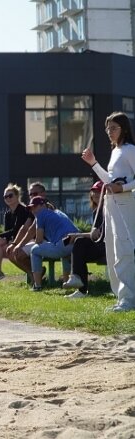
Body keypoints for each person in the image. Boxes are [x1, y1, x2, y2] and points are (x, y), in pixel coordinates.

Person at [82, 111, 135, 311]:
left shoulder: (130, 150)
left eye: (114, 128)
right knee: (112, 251)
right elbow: (109, 181)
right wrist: (93, 163)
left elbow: (123, 183)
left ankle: (129, 300)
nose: (109, 132)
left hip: (125, 203)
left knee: (124, 250)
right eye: (107, 128)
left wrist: (124, 187)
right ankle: (121, 297)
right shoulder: (115, 152)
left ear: (124, 129)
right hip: (111, 203)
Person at [62, 181, 106, 299]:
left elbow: (98, 235)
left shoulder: (109, 210)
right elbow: (95, 235)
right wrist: (78, 236)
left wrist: (76, 235)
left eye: (99, 191)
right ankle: (80, 289)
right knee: (79, 248)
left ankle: (77, 281)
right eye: (94, 191)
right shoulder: (96, 212)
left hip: (109, 247)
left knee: (79, 243)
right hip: (100, 246)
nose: (96, 194)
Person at [24, 196, 79, 291]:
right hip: (77, 242)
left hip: (64, 243)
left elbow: (39, 240)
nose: (32, 210)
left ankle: (37, 286)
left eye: (34, 206)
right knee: (64, 250)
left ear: (43, 205)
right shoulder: (58, 212)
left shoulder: (40, 215)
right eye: (30, 208)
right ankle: (66, 283)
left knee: (34, 250)